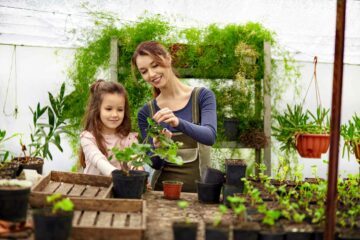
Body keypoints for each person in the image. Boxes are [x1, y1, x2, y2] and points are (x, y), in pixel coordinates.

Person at [132, 41, 217, 192]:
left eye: (155, 65)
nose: (151, 74)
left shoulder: (202, 97)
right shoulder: (147, 112)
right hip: (161, 195)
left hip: (201, 195)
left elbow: (210, 136)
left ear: (168, 58)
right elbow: (155, 164)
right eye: (144, 71)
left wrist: (178, 122)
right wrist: (159, 148)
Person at [79, 79, 139, 176]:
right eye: (109, 109)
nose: (115, 114)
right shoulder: (88, 138)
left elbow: (135, 162)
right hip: (92, 189)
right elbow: (99, 160)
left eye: (120, 109)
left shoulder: (129, 139)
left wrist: (140, 175)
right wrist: (119, 176)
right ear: (97, 109)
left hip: (120, 189)